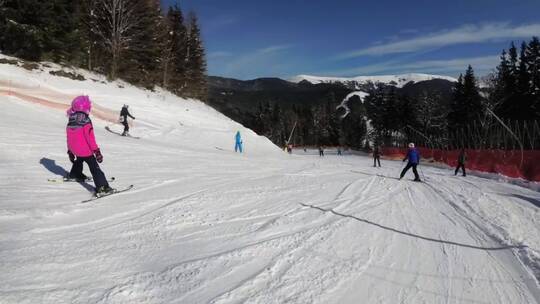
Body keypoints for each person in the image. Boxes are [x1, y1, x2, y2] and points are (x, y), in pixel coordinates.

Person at [66, 96, 114, 195]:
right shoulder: (86, 120)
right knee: (94, 167)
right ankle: (102, 187)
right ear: (86, 107)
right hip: (86, 151)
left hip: (75, 150)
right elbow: (90, 138)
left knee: (79, 160)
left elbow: (69, 137)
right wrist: (97, 151)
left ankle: (75, 174)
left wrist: (70, 151)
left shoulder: (71, 119)